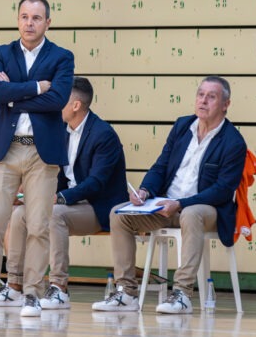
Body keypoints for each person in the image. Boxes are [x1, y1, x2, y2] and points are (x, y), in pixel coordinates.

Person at [92, 75, 246, 314]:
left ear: (226, 104)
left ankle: (182, 294)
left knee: (191, 214)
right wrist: (145, 191)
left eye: (211, 97)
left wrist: (181, 203)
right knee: (118, 214)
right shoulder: (182, 126)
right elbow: (161, 166)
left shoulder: (233, 142)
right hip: (166, 206)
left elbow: (222, 191)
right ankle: (126, 293)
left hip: (207, 209)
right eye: (200, 95)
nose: (203, 101)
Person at [0, 0, 74, 318]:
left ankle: (31, 294)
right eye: (25, 17)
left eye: (36, 18)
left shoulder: (62, 57)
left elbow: (58, 100)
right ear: (18, 20)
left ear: (48, 22)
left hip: (42, 154)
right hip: (6, 148)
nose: (30, 23)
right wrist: (36, 87)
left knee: (39, 226)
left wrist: (13, 95)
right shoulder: (2, 53)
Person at [0, 76, 128, 310]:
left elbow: (96, 183)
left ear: (76, 105)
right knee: (19, 215)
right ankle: (15, 285)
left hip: (99, 206)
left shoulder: (103, 134)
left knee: (54, 215)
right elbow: (55, 174)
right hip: (69, 204)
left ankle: (59, 288)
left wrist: (58, 198)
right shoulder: (60, 130)